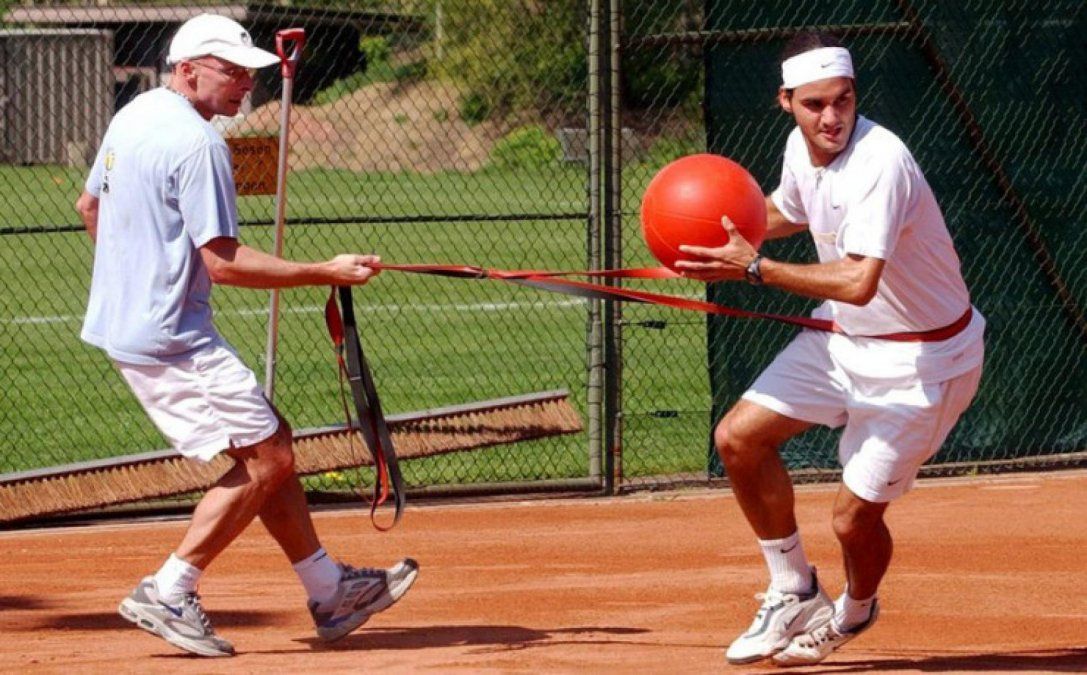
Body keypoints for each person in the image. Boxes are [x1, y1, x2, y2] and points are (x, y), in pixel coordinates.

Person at [74, 14, 417, 658]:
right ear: (187, 70)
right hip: (171, 337)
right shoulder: (199, 144)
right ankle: (169, 589)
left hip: (140, 327)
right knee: (269, 457)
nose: (245, 84)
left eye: (248, 73)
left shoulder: (133, 115)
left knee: (270, 442)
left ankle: (329, 589)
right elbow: (224, 263)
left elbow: (89, 208)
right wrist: (326, 270)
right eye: (231, 72)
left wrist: (133, 276)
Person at [675, 32, 985, 666]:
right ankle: (793, 589)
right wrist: (706, 239)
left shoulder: (881, 161)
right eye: (814, 104)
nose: (832, 117)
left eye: (843, 100)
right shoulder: (801, 147)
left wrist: (754, 268)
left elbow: (858, 279)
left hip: (922, 366)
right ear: (785, 101)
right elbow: (788, 211)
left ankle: (857, 608)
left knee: (851, 521)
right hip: (845, 338)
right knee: (737, 439)